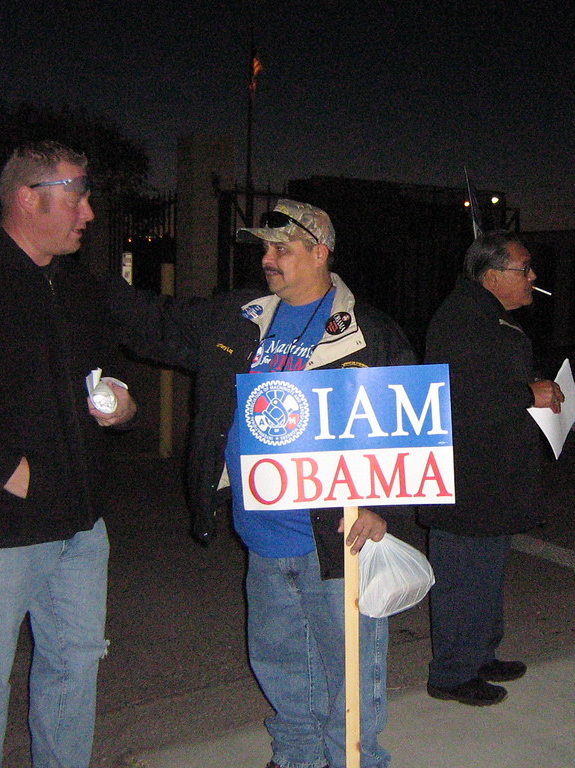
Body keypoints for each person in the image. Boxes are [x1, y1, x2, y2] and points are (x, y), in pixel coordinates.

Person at [114, 199, 414, 768]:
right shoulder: (241, 317)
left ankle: (354, 760)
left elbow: (408, 425)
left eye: (282, 248)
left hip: (336, 538)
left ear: (320, 252)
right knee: (281, 665)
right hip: (261, 534)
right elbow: (157, 322)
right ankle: (296, 756)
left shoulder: (368, 332)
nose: (268, 259)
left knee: (351, 670)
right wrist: (74, 287)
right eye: (265, 248)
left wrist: (382, 506)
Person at [0, 141, 138, 768]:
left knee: (75, 665)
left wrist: (121, 400)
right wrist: (2, 470)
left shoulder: (77, 285)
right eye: (77, 196)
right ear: (29, 198)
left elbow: (109, 368)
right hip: (2, 525)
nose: (88, 212)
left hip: (82, 522)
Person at [419, 231, 564, 706]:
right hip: (467, 475)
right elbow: (460, 398)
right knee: (461, 576)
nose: (532, 276)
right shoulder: (462, 320)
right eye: (524, 268)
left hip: (492, 472)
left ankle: (480, 655)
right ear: (492, 275)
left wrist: (537, 388)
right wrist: (527, 394)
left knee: (485, 571)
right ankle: (451, 673)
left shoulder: (487, 314)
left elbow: (493, 376)